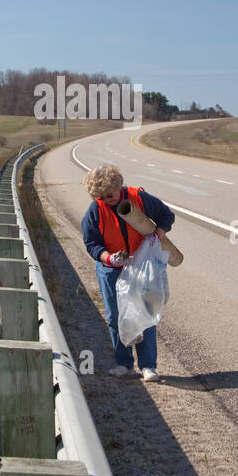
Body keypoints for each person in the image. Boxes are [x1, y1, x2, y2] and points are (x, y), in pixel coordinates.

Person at [81, 163, 175, 382]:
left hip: (141, 266)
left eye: (110, 195)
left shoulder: (138, 198)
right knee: (115, 316)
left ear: (119, 186)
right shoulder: (95, 210)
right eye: (101, 197)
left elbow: (165, 215)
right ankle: (123, 364)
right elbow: (91, 242)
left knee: (146, 314)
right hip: (111, 269)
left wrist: (158, 234)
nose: (107, 199)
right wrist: (107, 257)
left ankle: (148, 366)